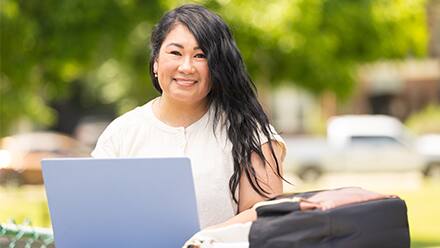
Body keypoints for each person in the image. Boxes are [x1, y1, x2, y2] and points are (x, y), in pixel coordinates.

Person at [92, 4, 287, 230]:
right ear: (156, 62)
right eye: (175, 52)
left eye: (200, 55)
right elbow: (97, 214)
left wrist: (197, 242)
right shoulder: (121, 133)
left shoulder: (252, 135)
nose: (186, 67)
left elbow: (263, 216)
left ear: (217, 67)